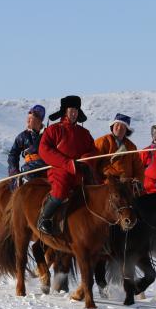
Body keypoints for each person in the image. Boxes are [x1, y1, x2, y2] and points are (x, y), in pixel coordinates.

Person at [37, 95, 97, 235]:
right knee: (60, 190)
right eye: (71, 110)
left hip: (80, 171)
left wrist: (85, 161)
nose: (74, 113)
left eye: (76, 110)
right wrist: (68, 163)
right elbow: (44, 150)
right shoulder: (54, 130)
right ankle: (44, 219)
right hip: (59, 170)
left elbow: (93, 151)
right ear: (65, 111)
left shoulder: (84, 133)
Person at [93, 113, 144, 185]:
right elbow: (93, 163)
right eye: (117, 125)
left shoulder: (131, 147)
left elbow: (139, 168)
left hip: (128, 184)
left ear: (126, 130)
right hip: (107, 184)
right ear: (112, 127)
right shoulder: (102, 141)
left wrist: (138, 180)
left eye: (123, 127)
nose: (119, 128)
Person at [7, 104, 48, 190]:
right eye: (27, 119)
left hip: (46, 166)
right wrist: (14, 170)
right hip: (29, 169)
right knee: (18, 186)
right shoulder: (22, 136)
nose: (27, 121)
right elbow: (13, 154)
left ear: (39, 120)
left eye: (30, 119)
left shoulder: (48, 134)